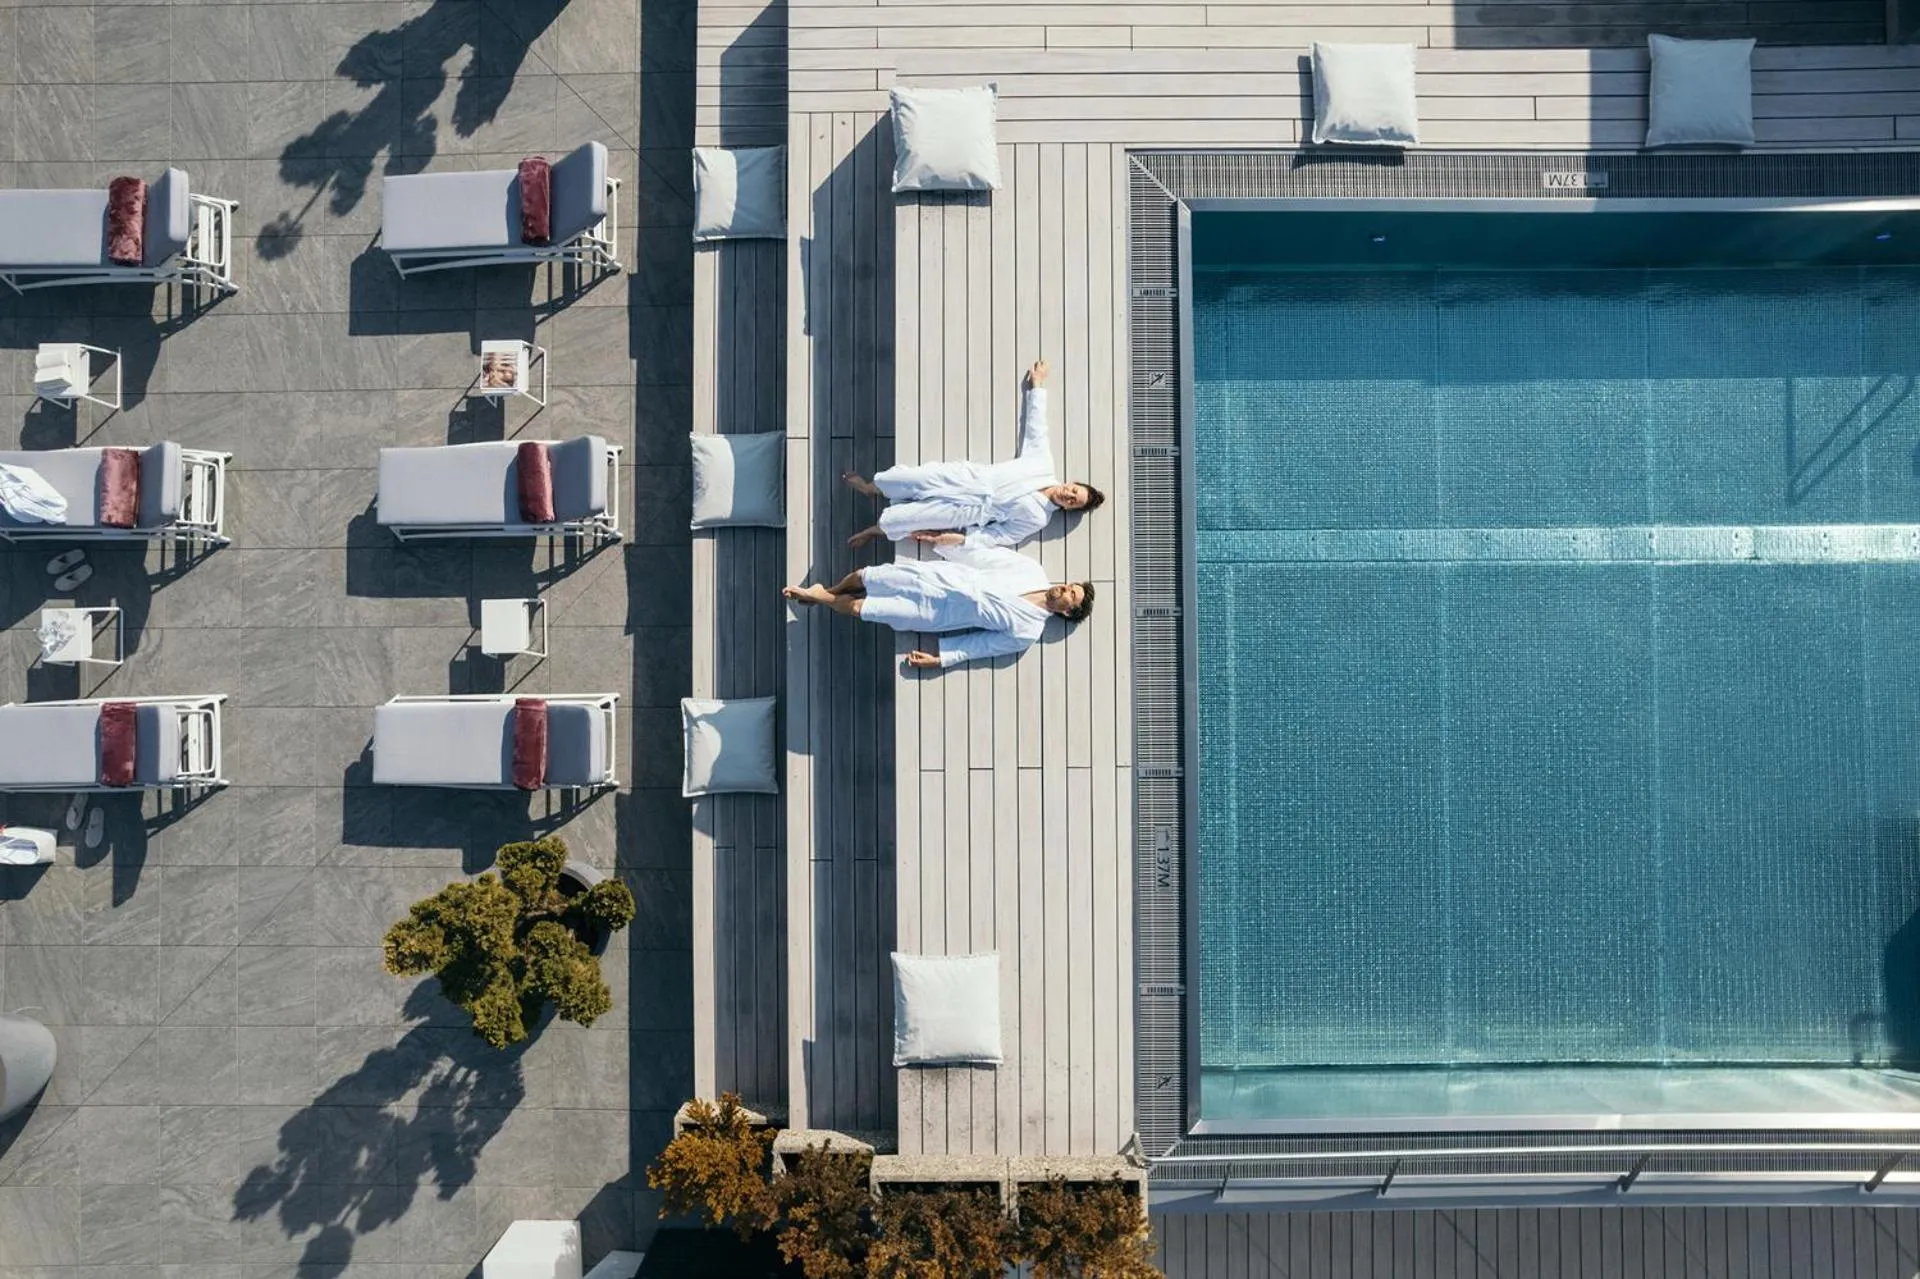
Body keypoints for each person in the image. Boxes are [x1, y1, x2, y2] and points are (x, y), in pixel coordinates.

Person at [843, 359, 1104, 551]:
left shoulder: (1038, 518)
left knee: (911, 519)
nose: (1069, 495)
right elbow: (1037, 429)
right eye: (1074, 490)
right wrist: (1037, 386)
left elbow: (1000, 535)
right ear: (1071, 482)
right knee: (907, 479)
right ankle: (870, 488)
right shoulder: (1042, 464)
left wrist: (962, 539)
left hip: (969, 512)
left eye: (1073, 502)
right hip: (965, 479)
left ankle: (873, 531)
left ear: (1068, 509)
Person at [783, 537, 1094, 670]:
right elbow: (986, 556)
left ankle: (817, 595)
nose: (1065, 588)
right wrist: (951, 542)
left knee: (860, 609)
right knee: (866, 576)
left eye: (1072, 594)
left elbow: (981, 646)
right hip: (941, 578)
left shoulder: (1028, 631)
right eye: (1070, 585)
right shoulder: (1031, 570)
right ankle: (826, 591)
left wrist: (941, 658)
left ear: (1068, 611)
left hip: (937, 614)